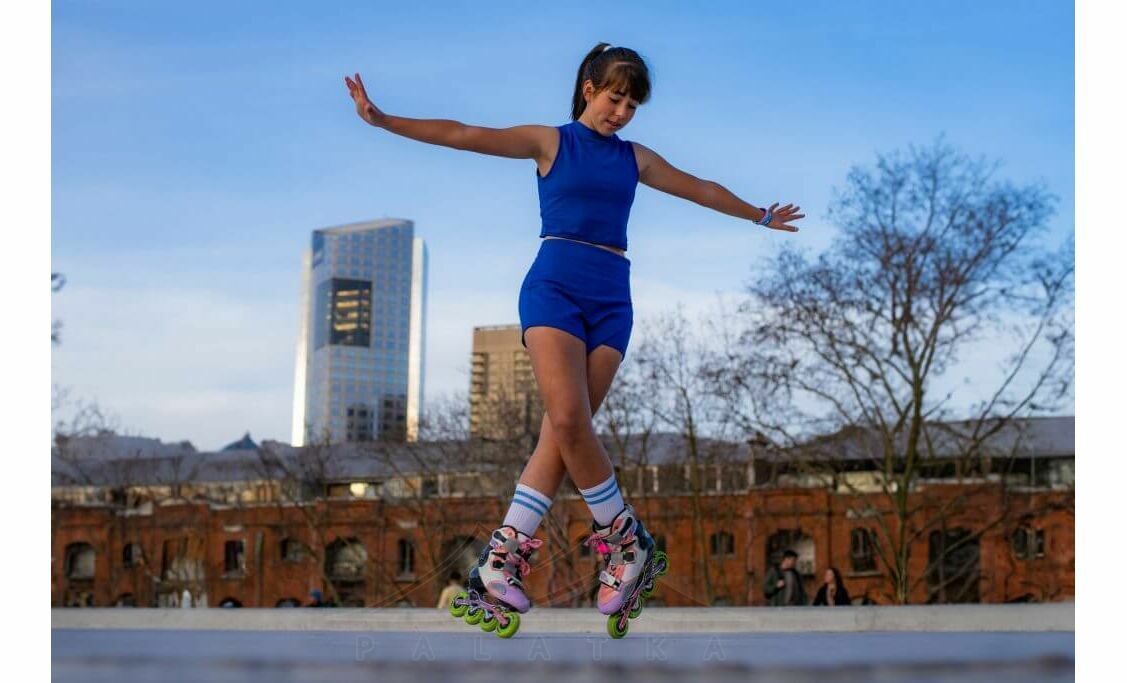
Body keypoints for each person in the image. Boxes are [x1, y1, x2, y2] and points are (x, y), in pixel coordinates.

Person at [345, 43, 803, 621]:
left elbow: (699, 187)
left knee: (563, 436)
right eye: (615, 99)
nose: (622, 113)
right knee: (567, 419)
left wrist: (758, 214)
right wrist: (384, 120)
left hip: (612, 299)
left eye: (632, 106)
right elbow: (464, 134)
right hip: (554, 288)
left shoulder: (635, 158)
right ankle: (626, 542)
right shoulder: (550, 142)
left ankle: (500, 562)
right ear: (590, 88)